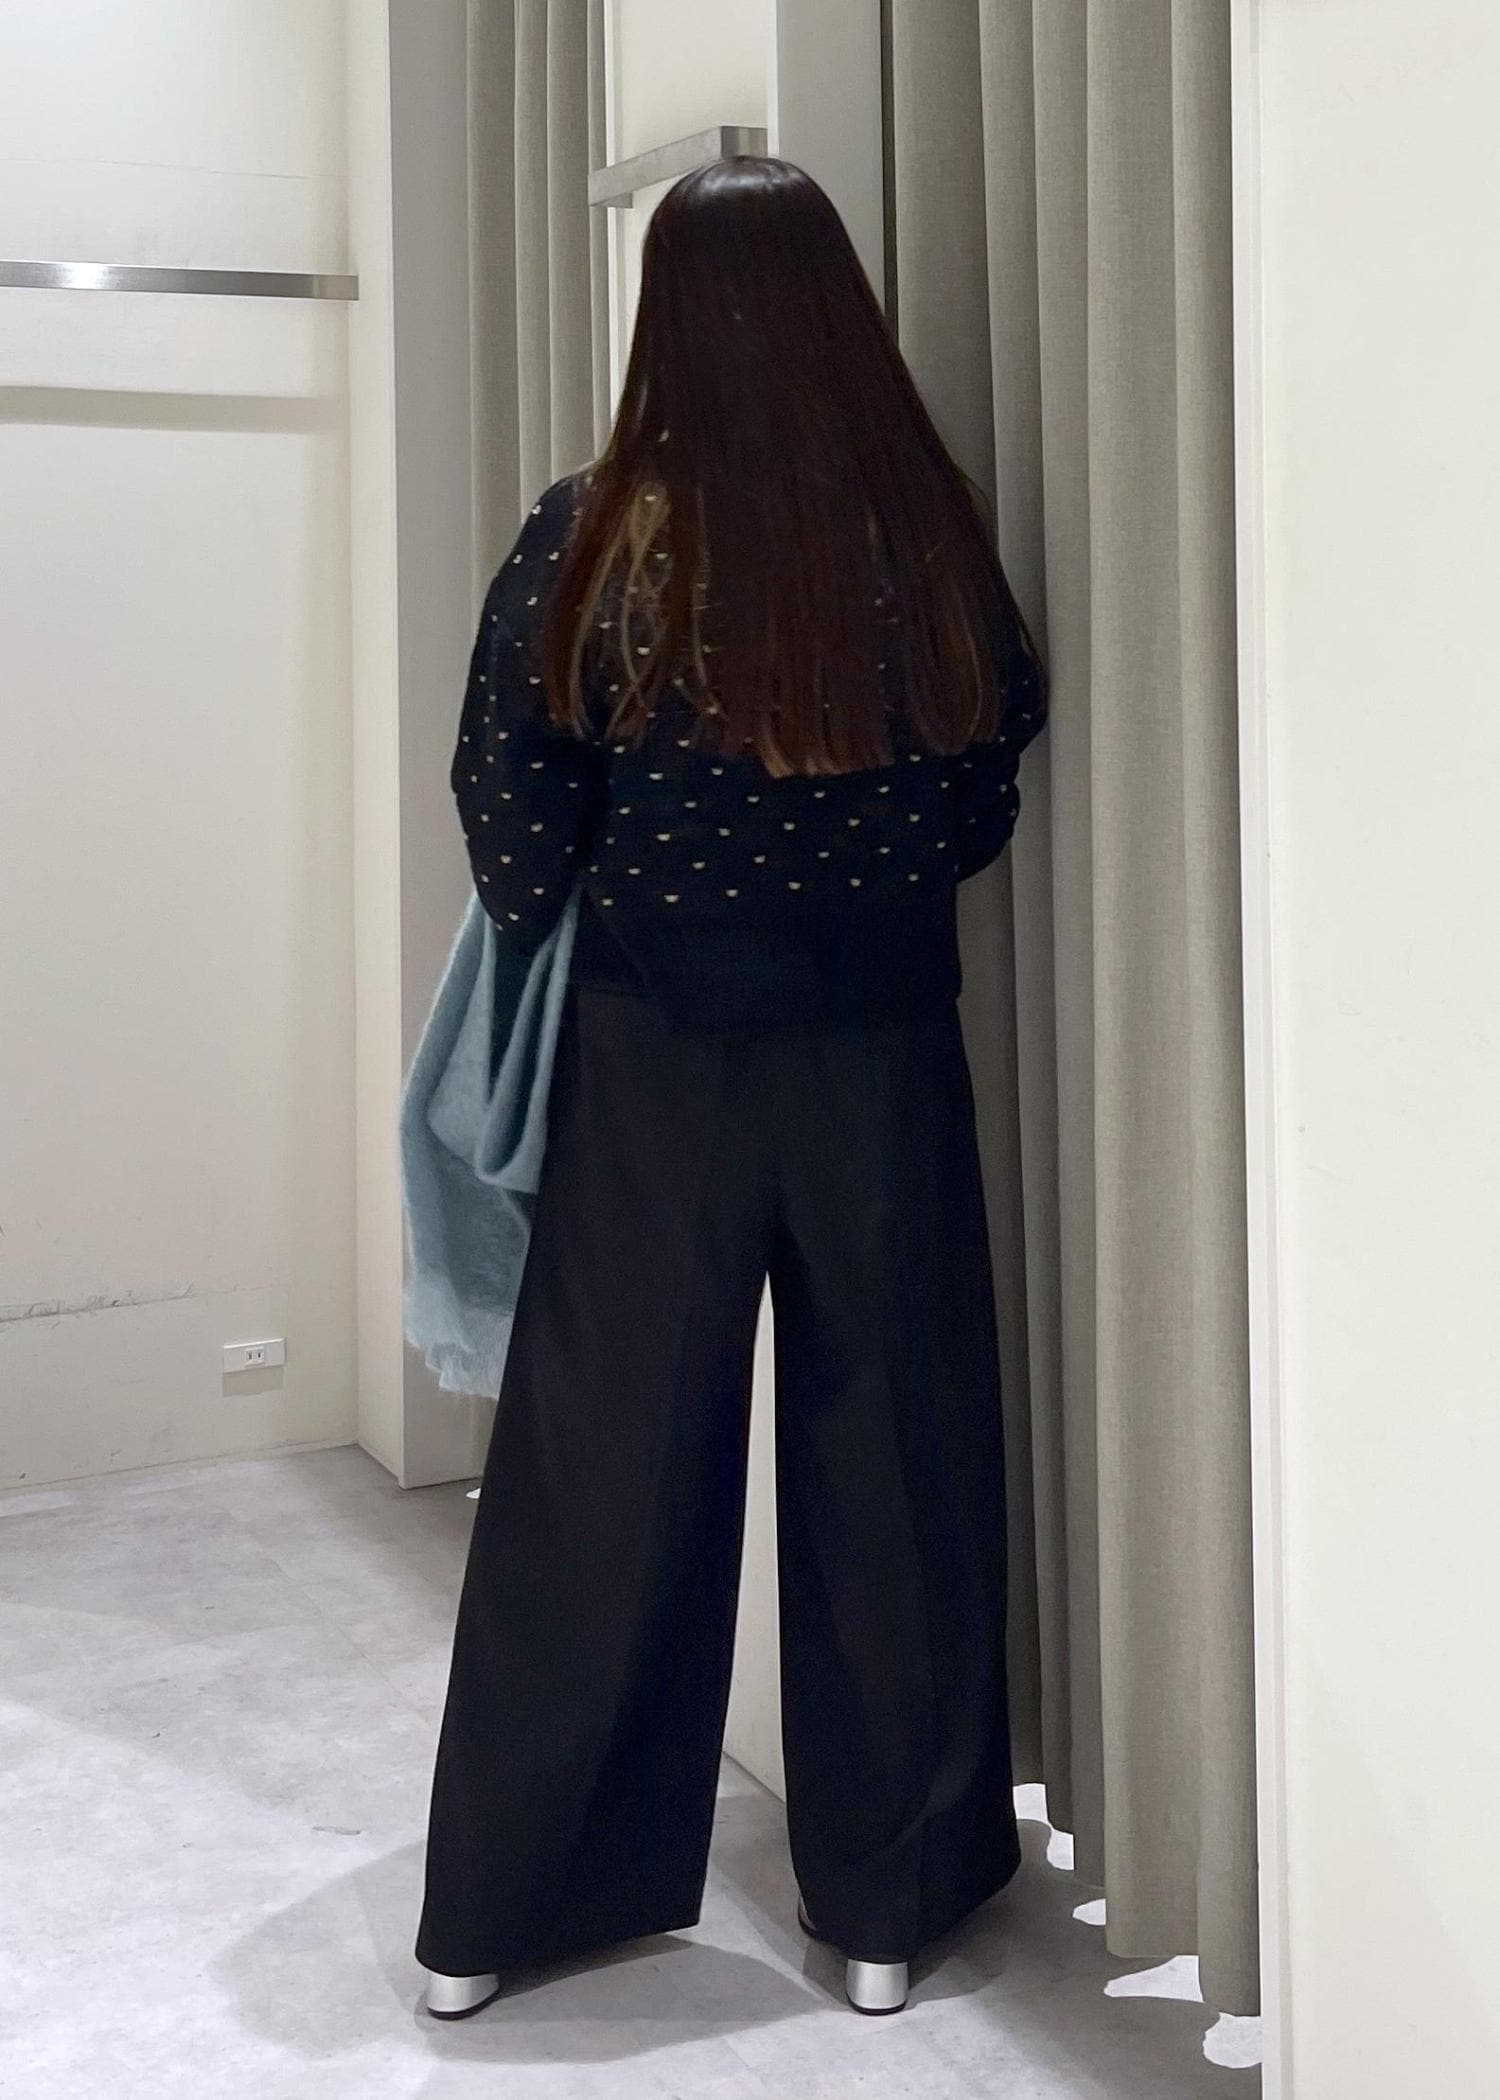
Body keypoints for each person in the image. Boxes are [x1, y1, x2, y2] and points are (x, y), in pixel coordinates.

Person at [416, 154, 1048, 2022]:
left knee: (596, 1474)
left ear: (665, 314)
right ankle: (887, 1908)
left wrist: (622, 876)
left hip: (656, 1056)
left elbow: (509, 801)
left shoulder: (598, 530)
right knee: (899, 1455)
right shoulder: (921, 525)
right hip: (882, 1046)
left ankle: (512, 1910)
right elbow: (992, 762)